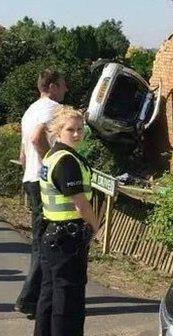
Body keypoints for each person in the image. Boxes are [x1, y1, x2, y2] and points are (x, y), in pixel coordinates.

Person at [34, 105, 99, 336]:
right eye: (70, 129)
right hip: (67, 237)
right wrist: (95, 226)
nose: (77, 134)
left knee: (49, 296)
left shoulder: (51, 156)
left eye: (80, 129)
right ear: (57, 131)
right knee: (68, 301)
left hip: (52, 233)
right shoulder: (66, 161)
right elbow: (80, 203)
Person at [15, 69, 68, 317]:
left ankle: (35, 297)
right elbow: (37, 139)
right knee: (45, 243)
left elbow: (23, 150)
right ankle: (29, 299)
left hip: (31, 178)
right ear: (52, 86)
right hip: (42, 181)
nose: (66, 89)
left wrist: (31, 169)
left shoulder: (31, 110)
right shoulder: (52, 109)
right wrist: (52, 163)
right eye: (63, 85)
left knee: (41, 240)